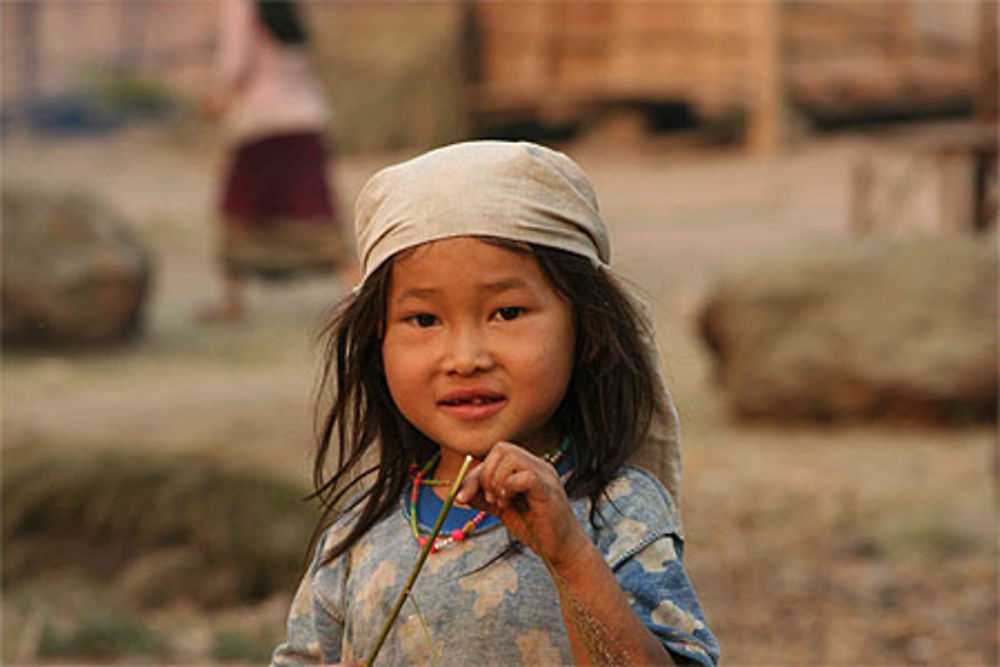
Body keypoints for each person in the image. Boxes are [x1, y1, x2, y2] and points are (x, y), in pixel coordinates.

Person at [271, 141, 720, 665]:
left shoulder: (616, 511)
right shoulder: (356, 540)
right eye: (424, 320)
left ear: (585, 326)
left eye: (507, 313)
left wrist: (568, 554)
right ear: (379, 341)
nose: (465, 358)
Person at [200, 0, 356, 323]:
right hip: (303, 117)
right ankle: (352, 288)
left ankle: (232, 302)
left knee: (239, 207)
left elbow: (236, 60)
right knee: (314, 205)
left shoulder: (240, 5)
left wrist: (219, 97)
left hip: (261, 121)